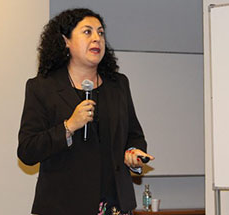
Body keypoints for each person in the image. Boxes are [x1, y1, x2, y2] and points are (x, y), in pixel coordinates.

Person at [17, 8, 154, 215]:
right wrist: (69, 126)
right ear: (66, 41)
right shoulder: (43, 88)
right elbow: (27, 151)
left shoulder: (118, 85)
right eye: (87, 32)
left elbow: (134, 135)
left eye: (100, 33)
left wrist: (133, 153)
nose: (97, 39)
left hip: (115, 205)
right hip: (63, 206)